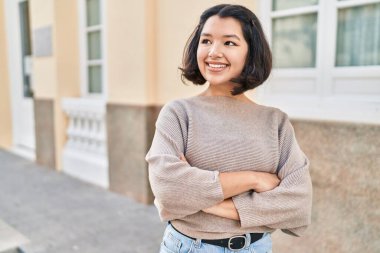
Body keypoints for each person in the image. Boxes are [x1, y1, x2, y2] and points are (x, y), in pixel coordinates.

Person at [145, 4, 312, 253]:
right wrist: (254, 179)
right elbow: (167, 188)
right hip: (189, 247)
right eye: (206, 41)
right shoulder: (178, 113)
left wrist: (204, 202)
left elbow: (297, 205)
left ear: (250, 52)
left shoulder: (275, 122)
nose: (213, 52)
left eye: (229, 43)